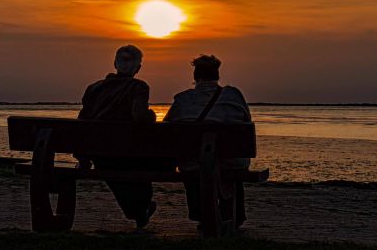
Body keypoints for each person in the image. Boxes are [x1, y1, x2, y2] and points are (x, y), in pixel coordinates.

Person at [76, 44, 166, 229]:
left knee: (117, 169)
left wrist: (83, 157)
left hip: (100, 154)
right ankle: (141, 209)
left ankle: (138, 210)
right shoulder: (138, 87)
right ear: (138, 68)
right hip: (129, 154)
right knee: (139, 163)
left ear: (114, 63)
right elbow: (140, 117)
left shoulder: (94, 88)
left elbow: (82, 122)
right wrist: (152, 116)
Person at [164, 54, 252, 227]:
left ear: (195, 76)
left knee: (193, 161)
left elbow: (167, 129)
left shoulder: (182, 99)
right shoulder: (233, 95)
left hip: (193, 162)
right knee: (228, 161)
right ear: (217, 75)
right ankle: (235, 215)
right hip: (229, 161)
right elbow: (246, 121)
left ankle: (201, 213)